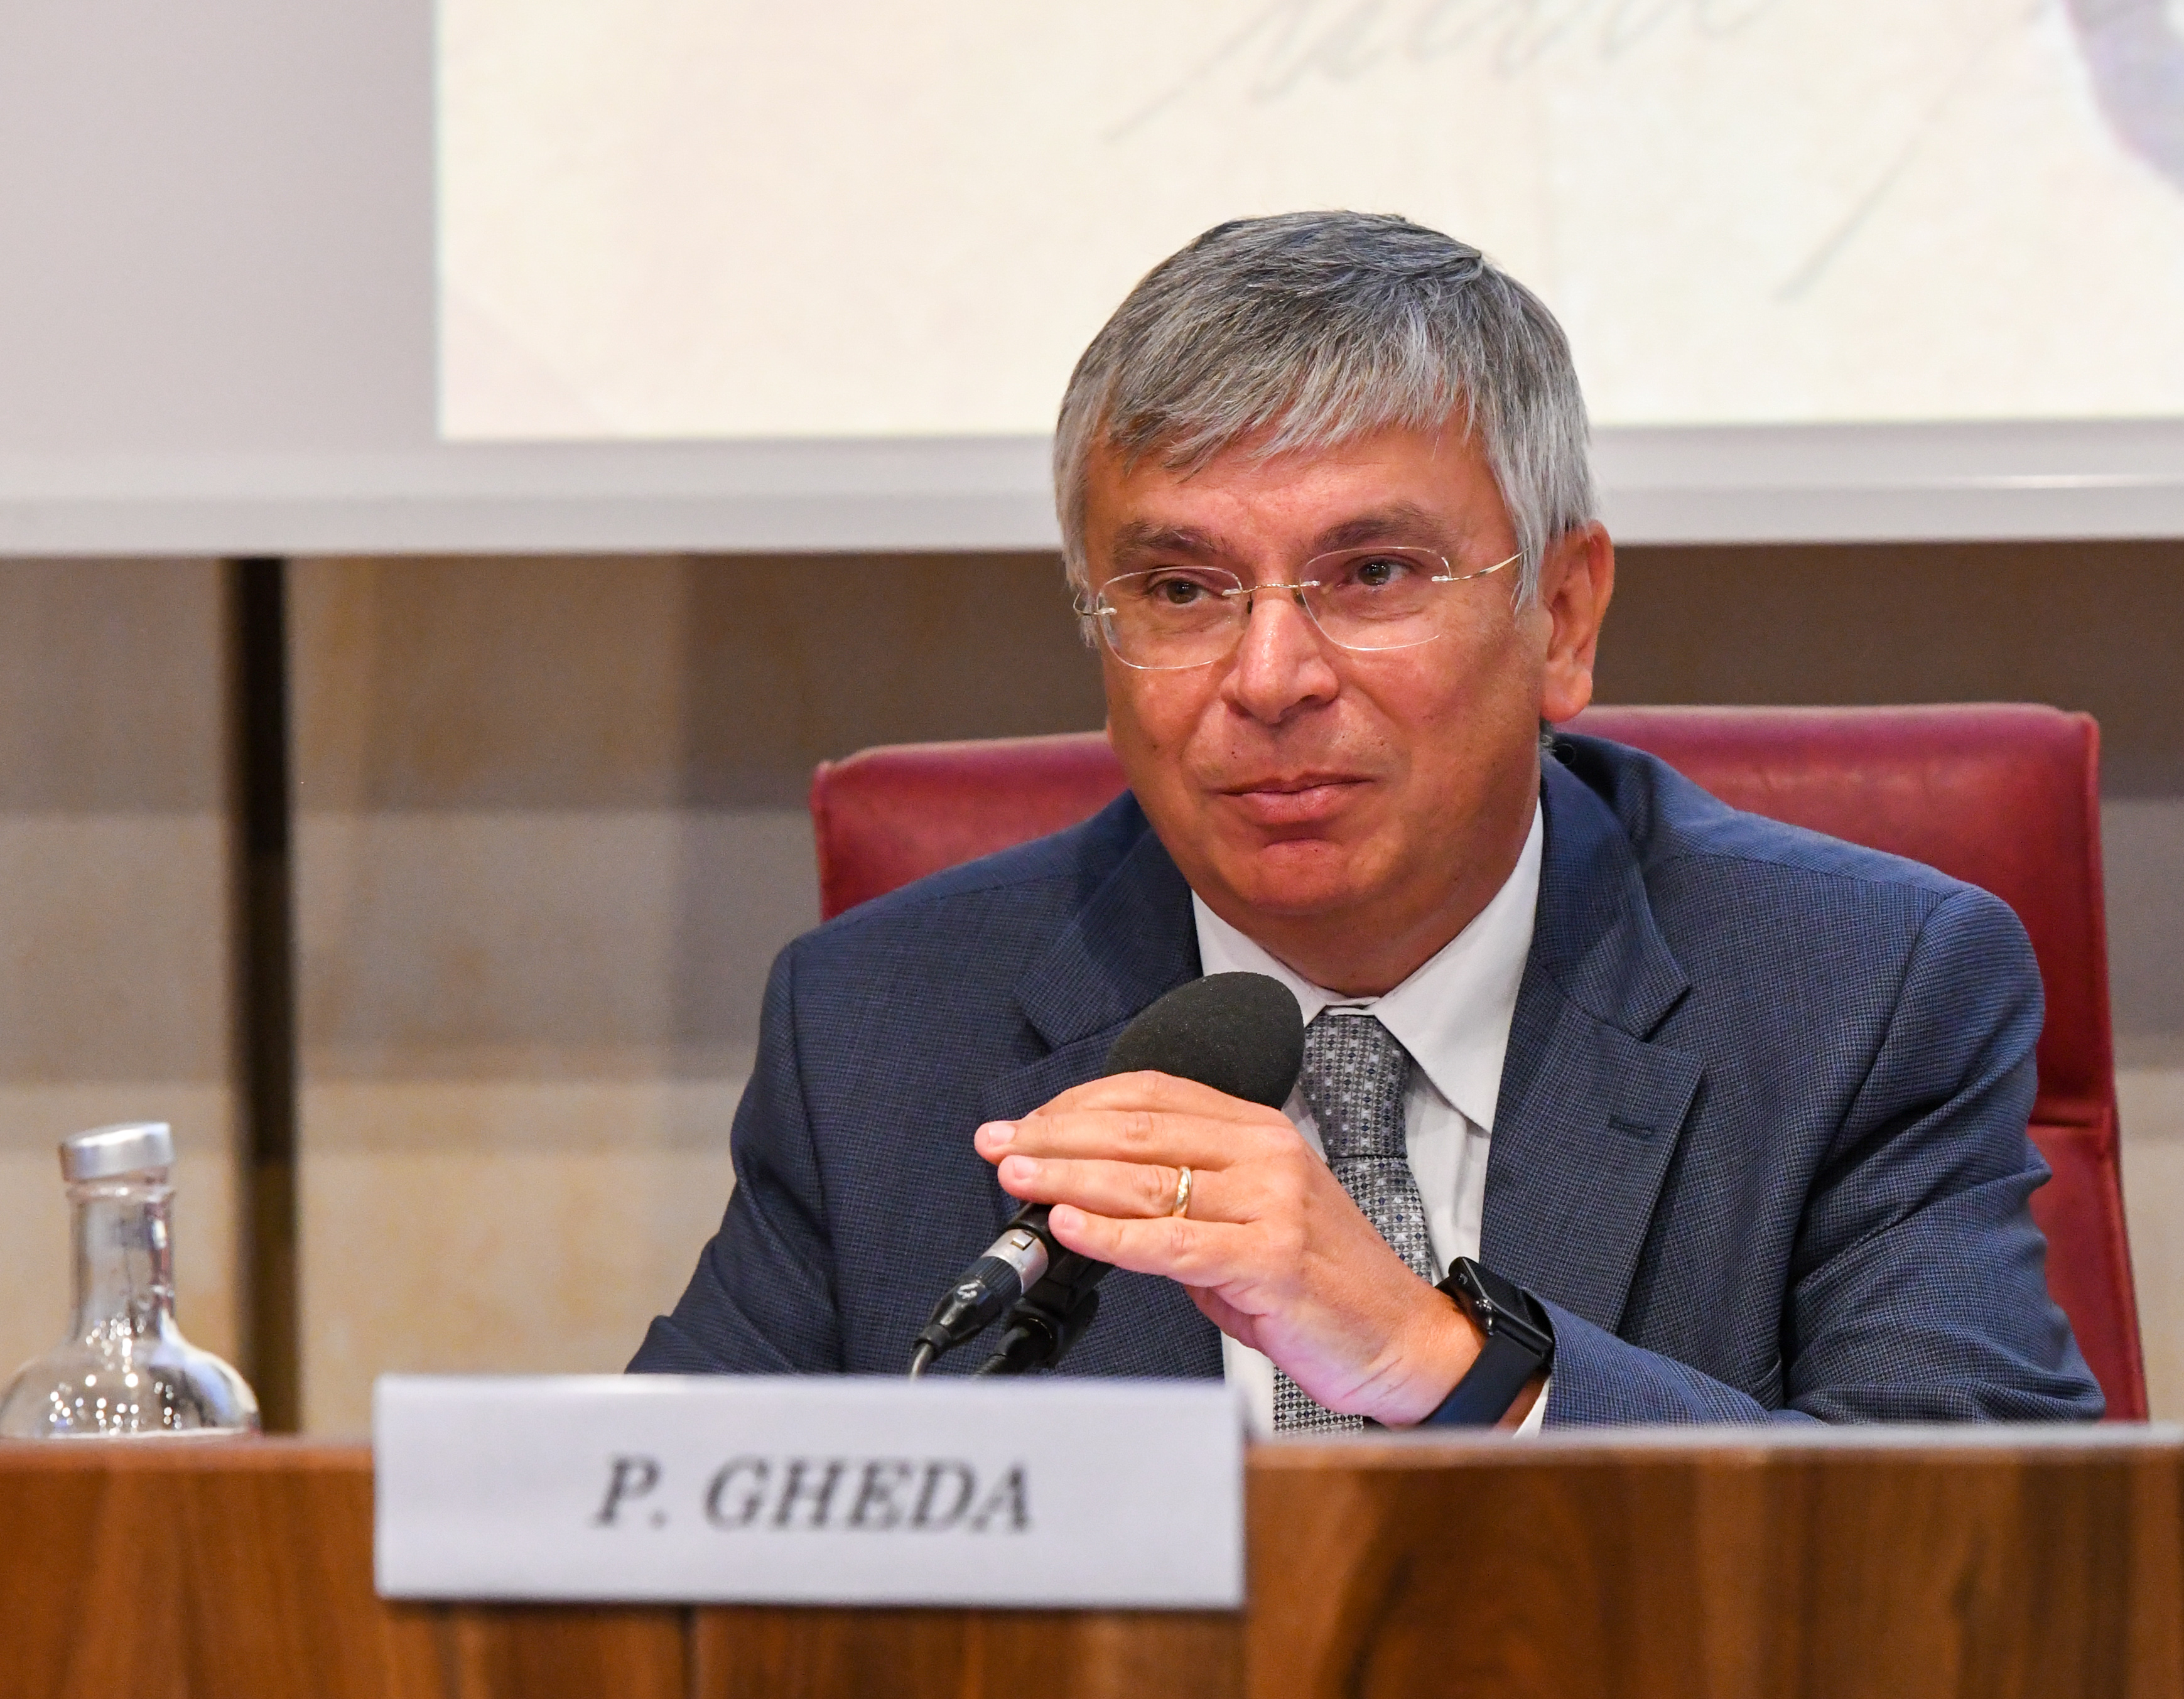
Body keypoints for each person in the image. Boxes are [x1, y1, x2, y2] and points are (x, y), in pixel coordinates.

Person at [629, 211, 2102, 1431]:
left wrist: (1441, 1364)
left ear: (1562, 615)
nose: (1269, 678)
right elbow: (650, 1538)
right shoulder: (879, 1028)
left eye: (1374, 574)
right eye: (1182, 591)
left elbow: (1984, 1561)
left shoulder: (1861, 993)